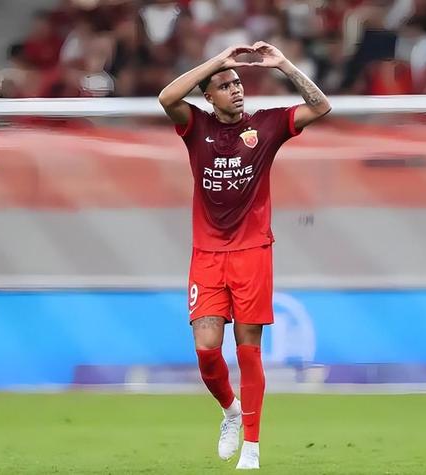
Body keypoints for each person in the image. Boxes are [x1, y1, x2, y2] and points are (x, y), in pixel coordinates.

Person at [158, 41, 331, 470]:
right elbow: (166, 98)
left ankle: (251, 447)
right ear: (208, 96)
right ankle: (231, 411)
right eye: (225, 85)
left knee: (248, 349)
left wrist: (284, 64)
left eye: (237, 83)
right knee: (206, 350)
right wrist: (218, 60)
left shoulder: (266, 126)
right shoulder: (195, 126)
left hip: (253, 250)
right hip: (207, 253)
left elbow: (320, 106)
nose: (235, 89)